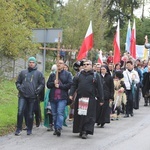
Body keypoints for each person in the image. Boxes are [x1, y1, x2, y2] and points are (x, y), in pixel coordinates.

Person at [69, 60, 104, 139]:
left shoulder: (95, 75)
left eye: (87, 64)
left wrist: (101, 99)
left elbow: (100, 88)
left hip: (90, 99)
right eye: (84, 64)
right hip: (80, 98)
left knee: (88, 116)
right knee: (80, 115)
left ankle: (86, 130)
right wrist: (71, 94)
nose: (85, 65)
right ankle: (80, 130)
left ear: (91, 66)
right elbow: (74, 85)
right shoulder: (79, 75)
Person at [15, 56, 45, 135]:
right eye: (30, 62)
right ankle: (18, 128)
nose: (31, 64)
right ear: (28, 63)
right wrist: (19, 87)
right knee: (20, 111)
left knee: (30, 113)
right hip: (22, 95)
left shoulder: (39, 74)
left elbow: (42, 84)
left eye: (33, 62)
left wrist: (38, 90)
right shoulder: (23, 72)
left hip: (32, 96)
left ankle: (29, 129)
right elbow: (18, 82)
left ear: (35, 63)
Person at [47, 60, 73, 137]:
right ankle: (55, 128)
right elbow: (48, 84)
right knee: (54, 114)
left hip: (62, 97)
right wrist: (53, 83)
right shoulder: (53, 75)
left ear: (63, 65)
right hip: (53, 97)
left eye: (61, 63)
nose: (59, 65)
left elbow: (70, 84)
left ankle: (59, 128)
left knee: (60, 112)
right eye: (57, 63)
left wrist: (60, 86)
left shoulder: (67, 74)